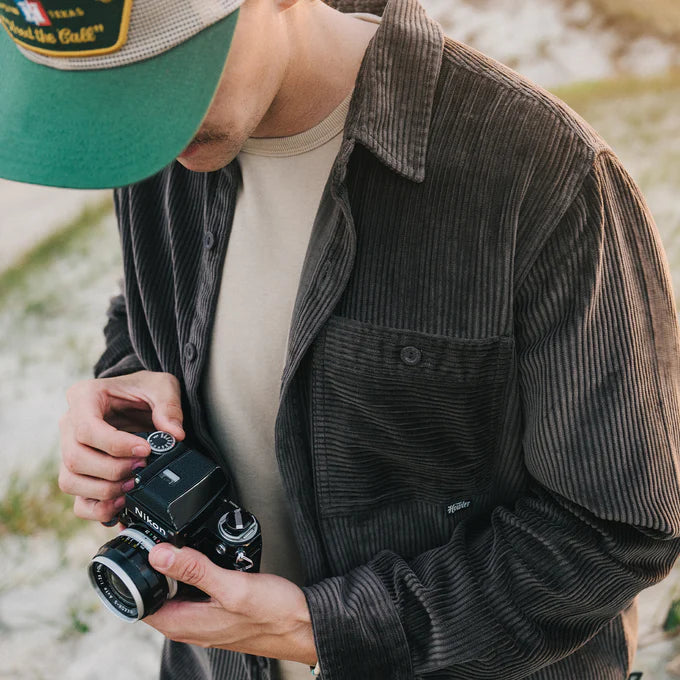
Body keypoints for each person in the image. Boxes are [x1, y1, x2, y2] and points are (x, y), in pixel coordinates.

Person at [1, 0, 679, 678]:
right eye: (103, 92)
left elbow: (618, 530)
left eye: (163, 76)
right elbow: (145, 306)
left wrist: (324, 631)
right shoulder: (151, 148)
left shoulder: (544, 174)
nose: (141, 128)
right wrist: (121, 387)